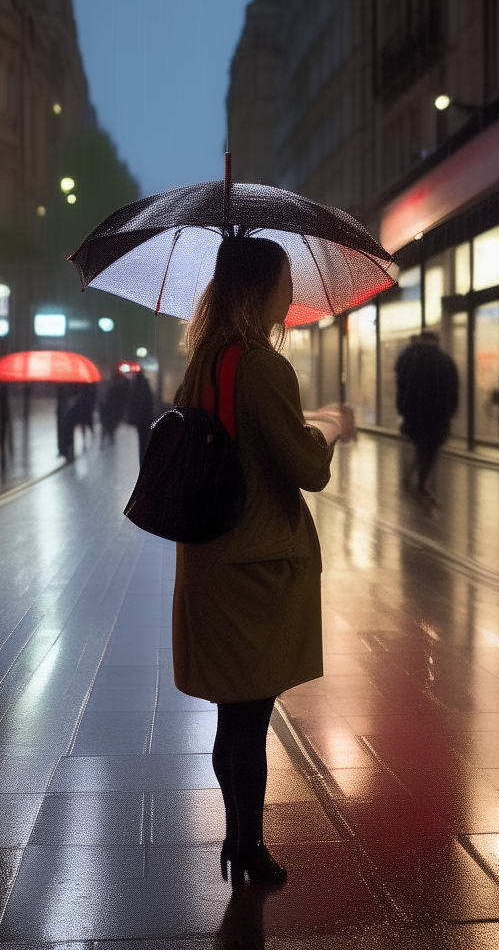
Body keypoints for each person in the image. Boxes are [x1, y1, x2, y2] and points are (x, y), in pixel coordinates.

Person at [173, 235, 353, 888]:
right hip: (258, 564)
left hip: (210, 559)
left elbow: (240, 438)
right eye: (284, 281)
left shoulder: (206, 361)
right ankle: (247, 847)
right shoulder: (262, 366)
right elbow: (306, 470)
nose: (291, 293)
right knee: (251, 718)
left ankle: (238, 835)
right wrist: (328, 428)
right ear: (260, 291)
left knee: (235, 716)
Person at [394, 331, 459, 502]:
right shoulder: (443, 360)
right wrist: (450, 411)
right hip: (437, 414)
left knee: (421, 446)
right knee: (430, 449)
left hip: (414, 413)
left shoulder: (408, 357)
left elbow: (401, 386)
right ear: (434, 341)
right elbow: (453, 388)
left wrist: (403, 410)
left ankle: (412, 478)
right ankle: (421, 483)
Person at [125, 368, 155, 463]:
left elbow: (132, 403)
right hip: (146, 418)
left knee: (141, 439)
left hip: (139, 419)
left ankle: (142, 458)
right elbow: (150, 403)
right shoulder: (146, 386)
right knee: (146, 439)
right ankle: (145, 457)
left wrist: (131, 418)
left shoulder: (135, 387)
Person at [99, 368, 130, 445]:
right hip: (113, 408)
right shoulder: (119, 385)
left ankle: (106, 437)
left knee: (107, 424)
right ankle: (110, 435)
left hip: (109, 408)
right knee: (110, 423)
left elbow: (108, 397)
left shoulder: (112, 386)